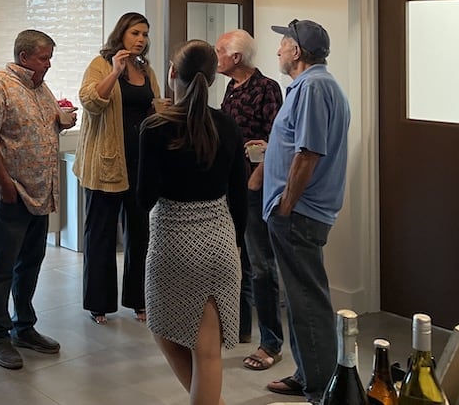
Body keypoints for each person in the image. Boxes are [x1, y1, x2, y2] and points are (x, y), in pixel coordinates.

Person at [138, 40, 247, 405]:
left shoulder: (155, 127)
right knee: (209, 352)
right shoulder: (229, 126)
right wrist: (237, 244)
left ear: (172, 73)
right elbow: (239, 196)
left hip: (173, 240)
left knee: (162, 326)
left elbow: (144, 198)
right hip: (219, 239)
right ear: (214, 78)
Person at [0, 29, 76, 370]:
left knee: (30, 263)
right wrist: (4, 183)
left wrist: (62, 121)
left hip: (40, 192)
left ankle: (24, 327)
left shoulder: (40, 88)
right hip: (12, 192)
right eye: (44, 58)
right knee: (2, 266)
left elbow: (41, 126)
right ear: (24, 58)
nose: (48, 64)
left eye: (49, 58)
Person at [263, 20, 351, 405]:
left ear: (297, 52)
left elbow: (309, 153)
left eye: (283, 44)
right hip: (299, 211)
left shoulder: (314, 87)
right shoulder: (310, 86)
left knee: (307, 300)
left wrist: (285, 205)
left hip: (300, 213)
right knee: (298, 300)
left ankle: (321, 390)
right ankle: (308, 374)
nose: (279, 50)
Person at [74, 12, 162, 325]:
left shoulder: (145, 68)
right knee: (101, 235)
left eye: (145, 35)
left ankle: (139, 300)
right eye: (135, 33)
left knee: (140, 236)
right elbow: (90, 102)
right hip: (105, 164)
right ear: (121, 33)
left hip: (139, 165)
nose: (141, 40)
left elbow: (155, 106)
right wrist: (115, 72)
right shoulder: (100, 64)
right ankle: (98, 304)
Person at [215, 29, 285, 371]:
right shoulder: (230, 87)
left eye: (219, 51)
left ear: (236, 57)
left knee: (260, 265)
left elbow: (277, 138)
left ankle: (270, 342)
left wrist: (256, 179)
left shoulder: (267, 88)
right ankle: (239, 328)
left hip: (255, 188)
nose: (216, 57)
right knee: (235, 261)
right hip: (230, 186)